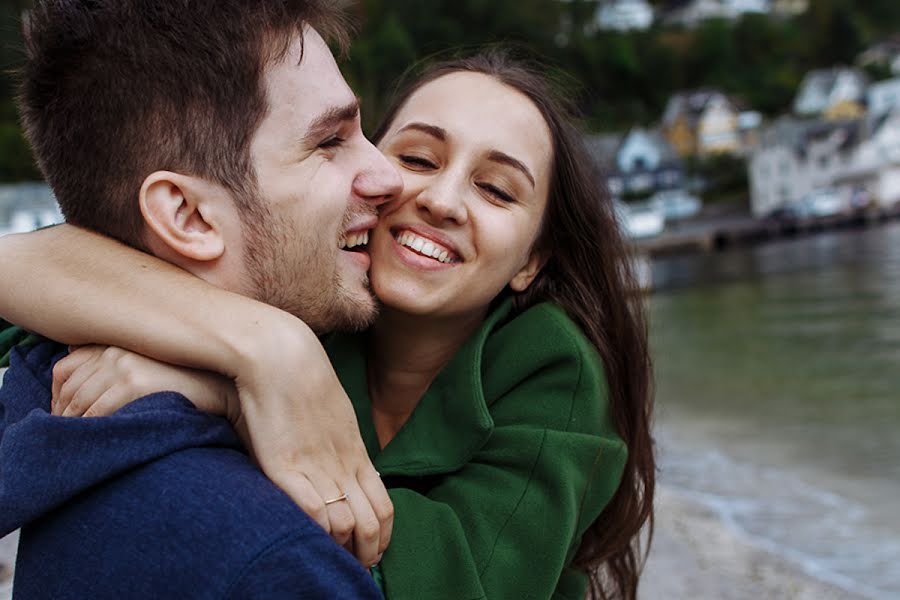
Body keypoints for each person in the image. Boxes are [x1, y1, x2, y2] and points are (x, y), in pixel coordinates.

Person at [1, 47, 655, 598]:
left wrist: (229, 392)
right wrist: (264, 347)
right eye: (419, 158)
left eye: (496, 189)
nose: (441, 199)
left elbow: (464, 578)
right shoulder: (308, 293)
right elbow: (22, 272)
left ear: (531, 262)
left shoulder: (554, 367)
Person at [0, 0, 405, 597]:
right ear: (187, 215)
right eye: (329, 141)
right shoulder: (274, 563)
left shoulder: (45, 391)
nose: (389, 175)